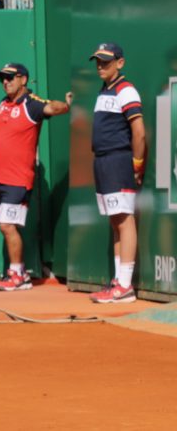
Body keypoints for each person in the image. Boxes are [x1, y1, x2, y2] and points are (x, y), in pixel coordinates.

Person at [0, 63, 72, 292]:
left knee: (7, 225)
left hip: (17, 177)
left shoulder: (31, 104)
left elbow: (52, 108)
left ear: (23, 80)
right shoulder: (3, 103)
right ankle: (16, 271)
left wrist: (67, 105)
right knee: (4, 226)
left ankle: (18, 274)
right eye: (2, 79)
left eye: (10, 78)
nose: (5, 82)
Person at [87, 43, 147, 303]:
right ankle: (117, 282)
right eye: (98, 61)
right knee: (115, 221)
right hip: (102, 161)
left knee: (124, 219)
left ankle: (126, 286)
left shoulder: (126, 89)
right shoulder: (103, 91)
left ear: (120, 63)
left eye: (107, 62)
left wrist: (136, 163)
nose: (101, 66)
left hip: (119, 160)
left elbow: (139, 131)